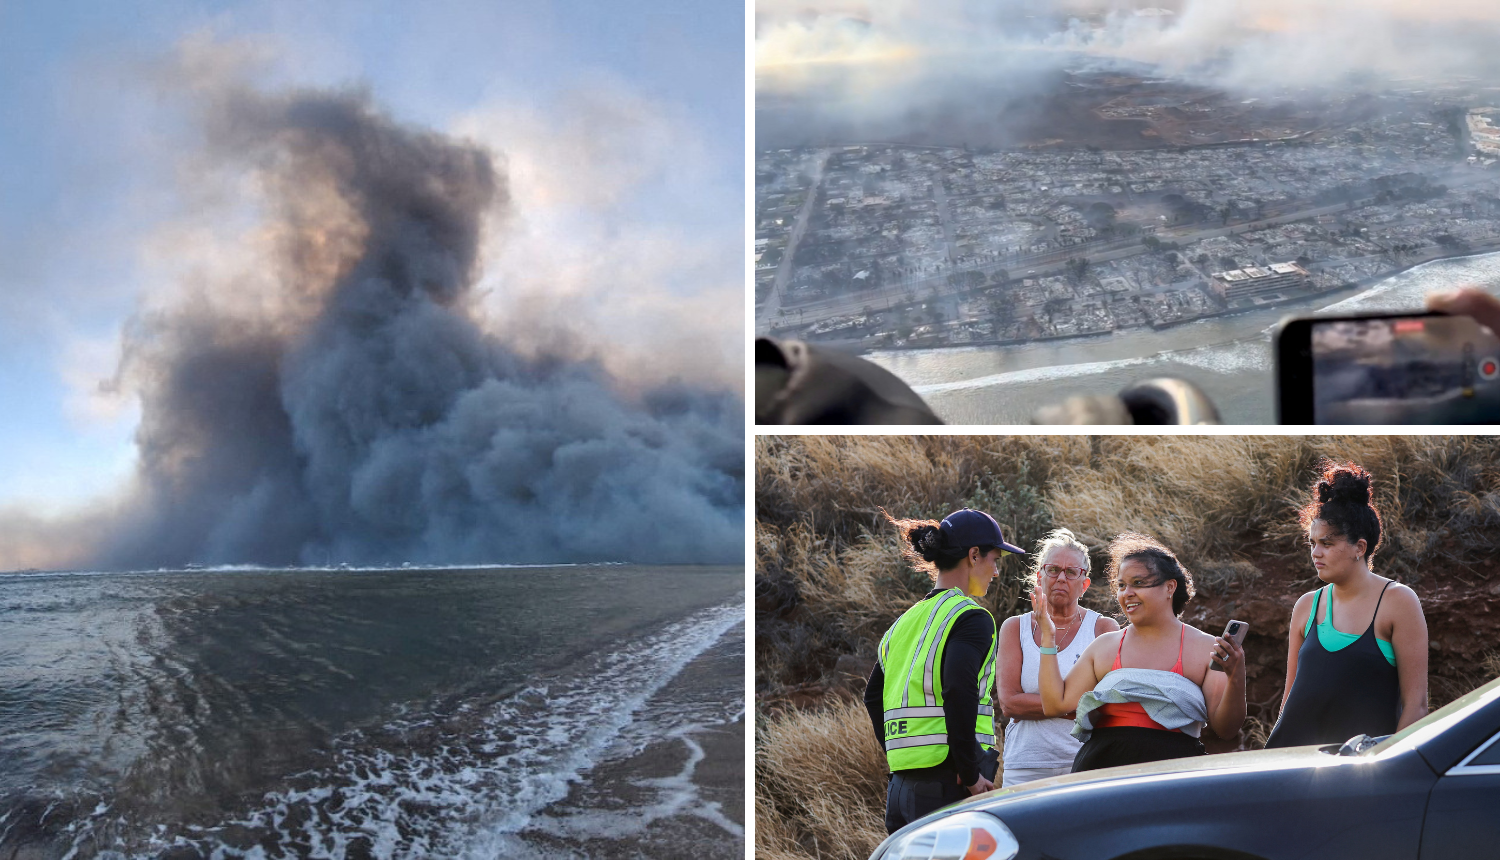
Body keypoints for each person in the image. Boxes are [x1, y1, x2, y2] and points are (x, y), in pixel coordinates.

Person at [863, 508, 1026, 834]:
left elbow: (872, 698)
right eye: (994, 560)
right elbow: (957, 688)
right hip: (948, 785)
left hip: (901, 788)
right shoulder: (970, 617)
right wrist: (968, 774)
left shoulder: (902, 623)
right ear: (973, 555)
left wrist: (900, 762)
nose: (995, 572)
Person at [1033, 533, 1246, 772]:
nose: (1127, 593)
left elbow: (1226, 729)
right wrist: (1048, 636)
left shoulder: (1204, 648)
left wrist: (1236, 676)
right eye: (1122, 585)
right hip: (1100, 771)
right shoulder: (1105, 647)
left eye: (1138, 583)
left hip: (1172, 775)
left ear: (1170, 587)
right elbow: (1054, 704)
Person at [1265, 462, 1429, 748]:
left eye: (1327, 543)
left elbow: (1416, 707)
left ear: (1360, 548)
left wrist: (1389, 769)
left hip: (1363, 776)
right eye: (1312, 543)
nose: (1316, 553)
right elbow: (1288, 701)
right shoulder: (1307, 606)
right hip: (1294, 770)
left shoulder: (1398, 602)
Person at [996, 528, 1119, 787]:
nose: (1061, 578)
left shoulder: (1103, 629)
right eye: (1053, 570)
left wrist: (1045, 705)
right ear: (1039, 576)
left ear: (1084, 584)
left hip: (1084, 762)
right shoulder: (1014, 628)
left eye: (1071, 572)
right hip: (1025, 765)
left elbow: (1105, 708)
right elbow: (1009, 704)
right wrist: (1072, 704)